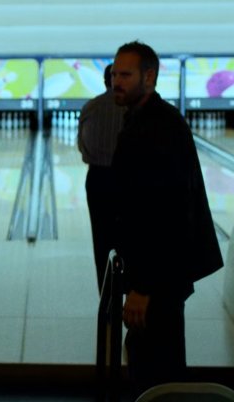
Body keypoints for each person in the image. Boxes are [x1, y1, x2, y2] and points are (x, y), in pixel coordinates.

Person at [110, 41, 223, 396]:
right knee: (152, 361)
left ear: (150, 76)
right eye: (114, 74)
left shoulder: (160, 128)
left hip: (158, 279)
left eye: (125, 75)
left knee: (158, 370)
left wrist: (144, 286)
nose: (116, 81)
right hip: (161, 276)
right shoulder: (144, 119)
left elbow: (167, 214)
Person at [77, 63, 125, 289]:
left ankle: (106, 298)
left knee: (102, 240)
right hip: (127, 182)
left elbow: (81, 146)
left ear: (104, 81)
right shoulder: (133, 110)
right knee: (130, 240)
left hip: (97, 180)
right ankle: (131, 292)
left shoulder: (90, 107)